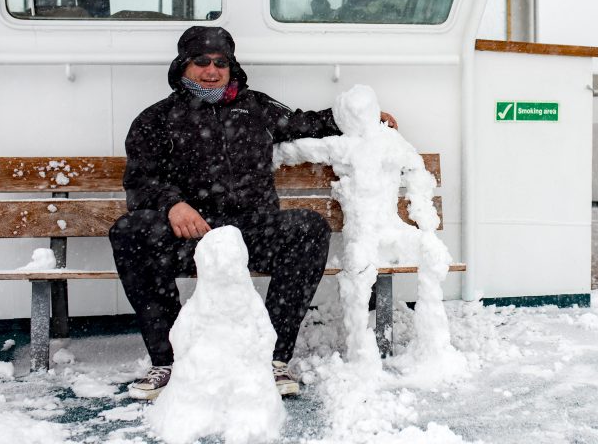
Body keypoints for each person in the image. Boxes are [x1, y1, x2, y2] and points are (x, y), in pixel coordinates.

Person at [110, 26, 396, 400]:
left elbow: (304, 122)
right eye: (201, 61)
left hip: (251, 231)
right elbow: (139, 180)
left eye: (220, 62)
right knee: (130, 231)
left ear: (231, 67)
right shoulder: (156, 119)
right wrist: (172, 204)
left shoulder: (254, 107)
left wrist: (364, 117)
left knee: (308, 227)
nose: (211, 70)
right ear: (183, 66)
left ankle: (273, 360)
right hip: (191, 236)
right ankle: (168, 361)